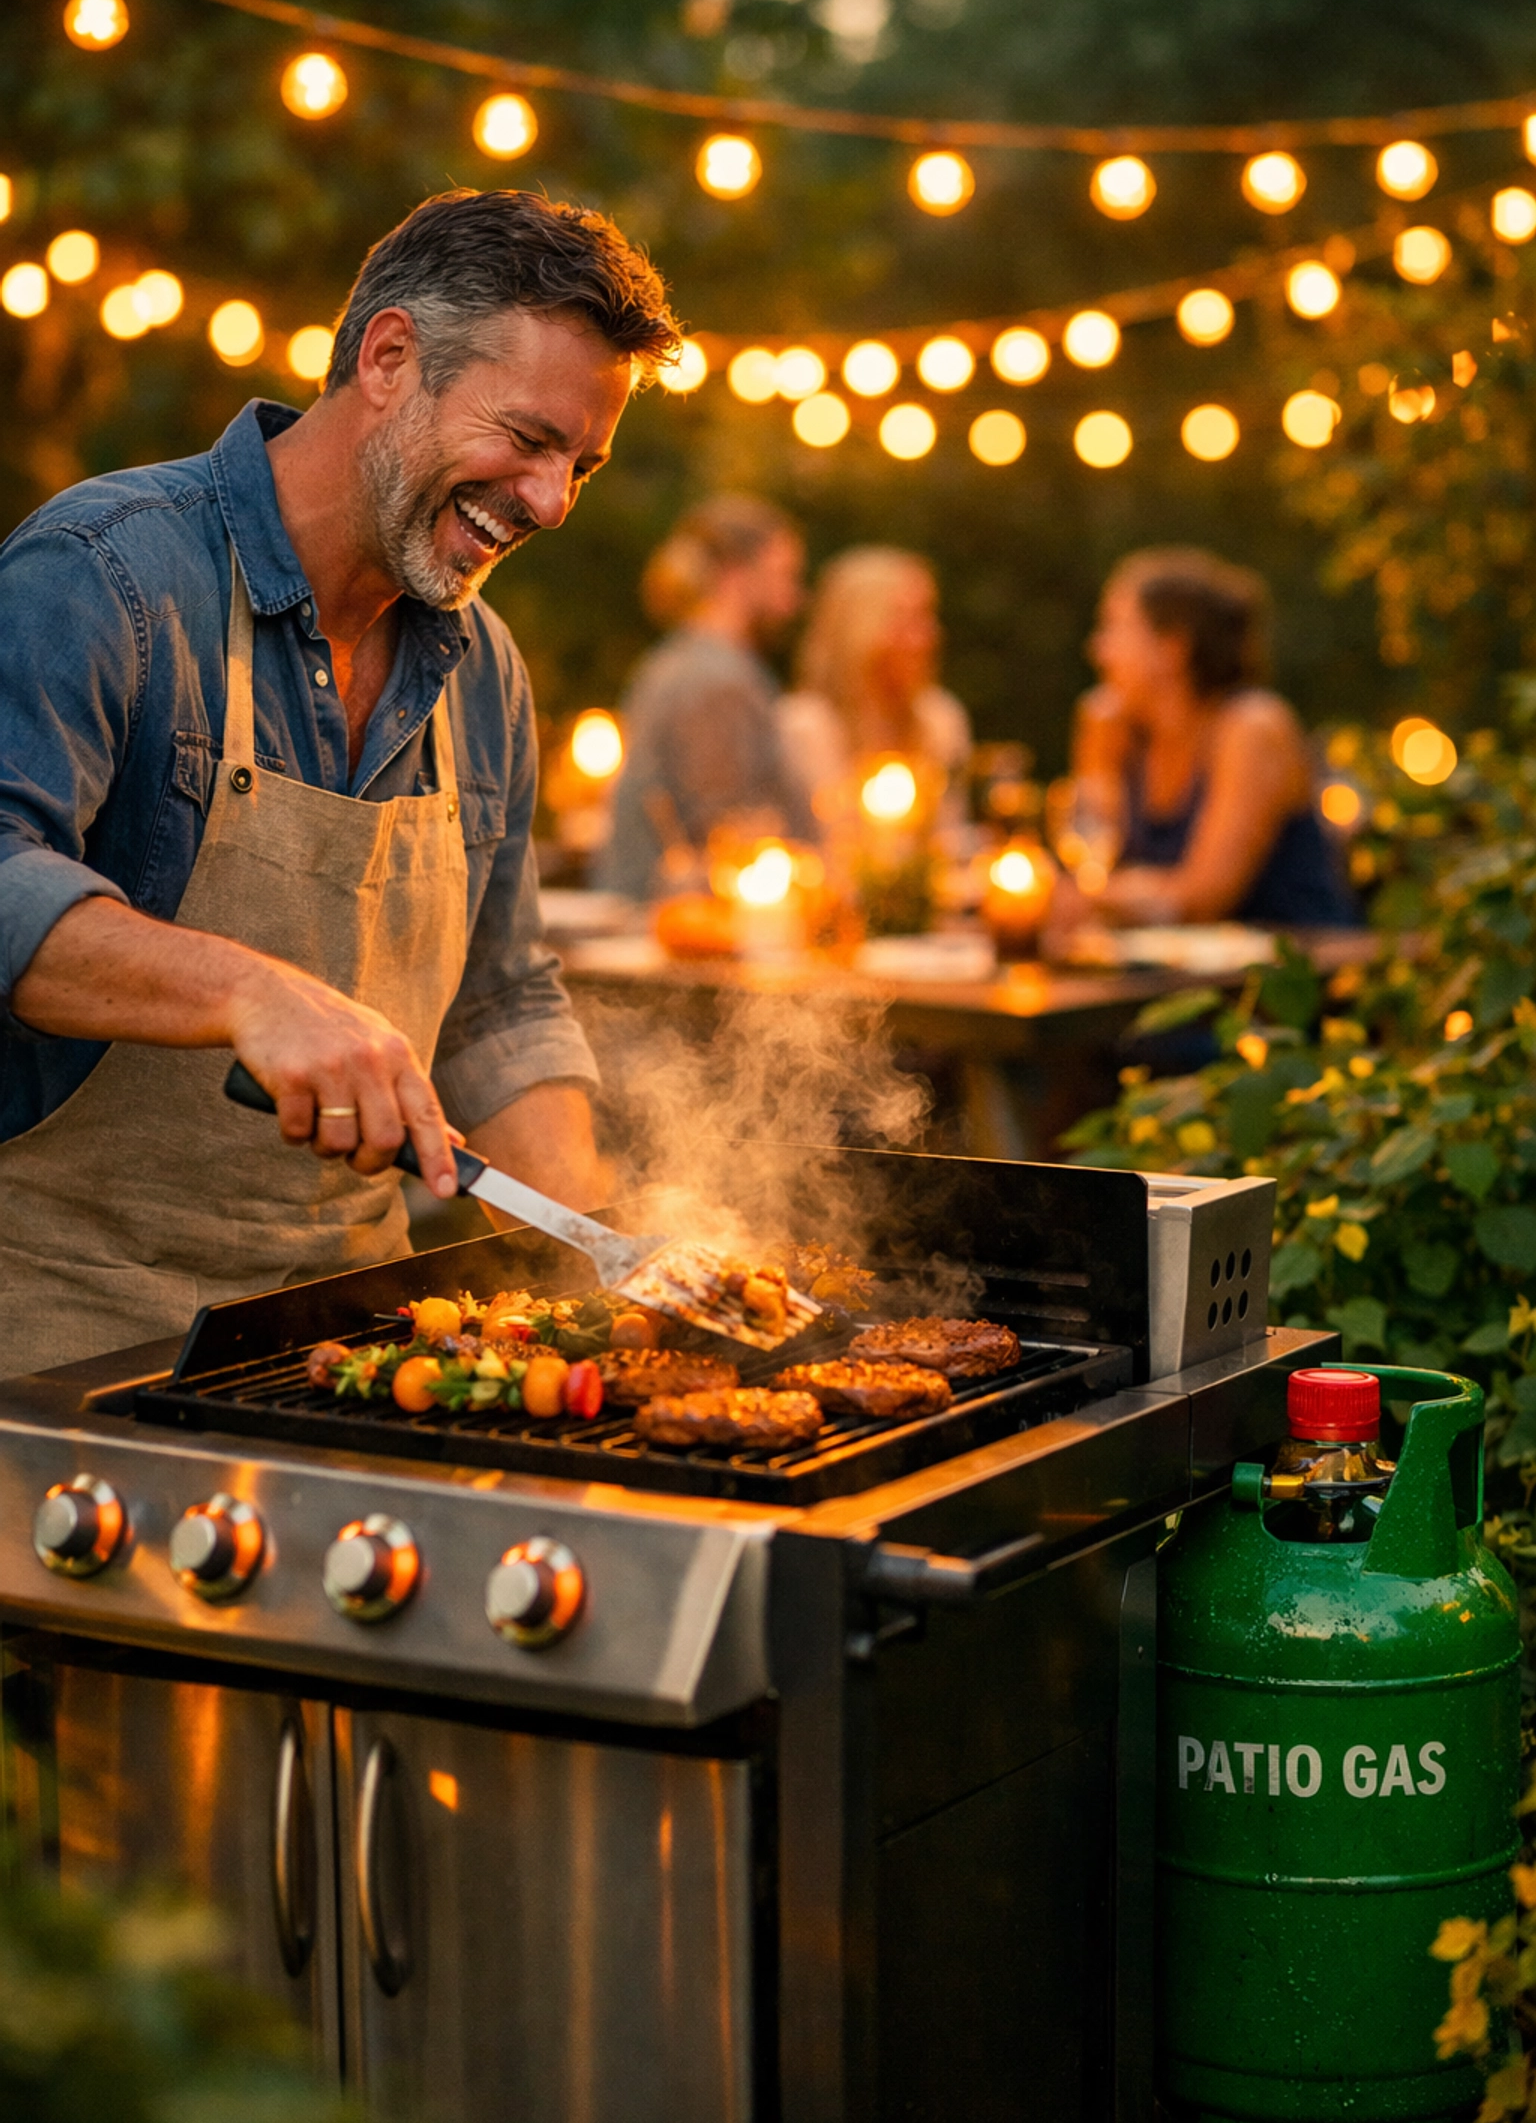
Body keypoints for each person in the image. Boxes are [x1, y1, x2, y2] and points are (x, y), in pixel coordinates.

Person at [0, 186, 680, 1374]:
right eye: (527, 440)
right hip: (62, 1339)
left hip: (340, 1350)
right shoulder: (106, 574)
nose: (553, 502)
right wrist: (254, 994)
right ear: (389, 356)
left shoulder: (484, 668)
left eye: (584, 463)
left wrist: (601, 1241)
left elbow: (499, 1000)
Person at [1056, 546, 1357, 931]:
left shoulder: (1252, 727)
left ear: (1172, 648)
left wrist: (1088, 900)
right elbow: (1097, 867)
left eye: (1114, 628)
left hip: (1300, 973)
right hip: (1187, 979)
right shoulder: (1120, 732)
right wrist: (1096, 754)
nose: (1098, 650)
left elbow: (1205, 897)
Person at [598, 494, 817, 899]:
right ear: (736, 573)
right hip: (675, 919)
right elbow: (724, 828)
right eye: (783, 574)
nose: (795, 598)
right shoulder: (715, 680)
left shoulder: (682, 660)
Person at [776, 545, 972, 833]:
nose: (929, 636)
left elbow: (951, 834)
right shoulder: (804, 727)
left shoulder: (940, 719)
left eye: (928, 616)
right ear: (857, 630)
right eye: (907, 620)